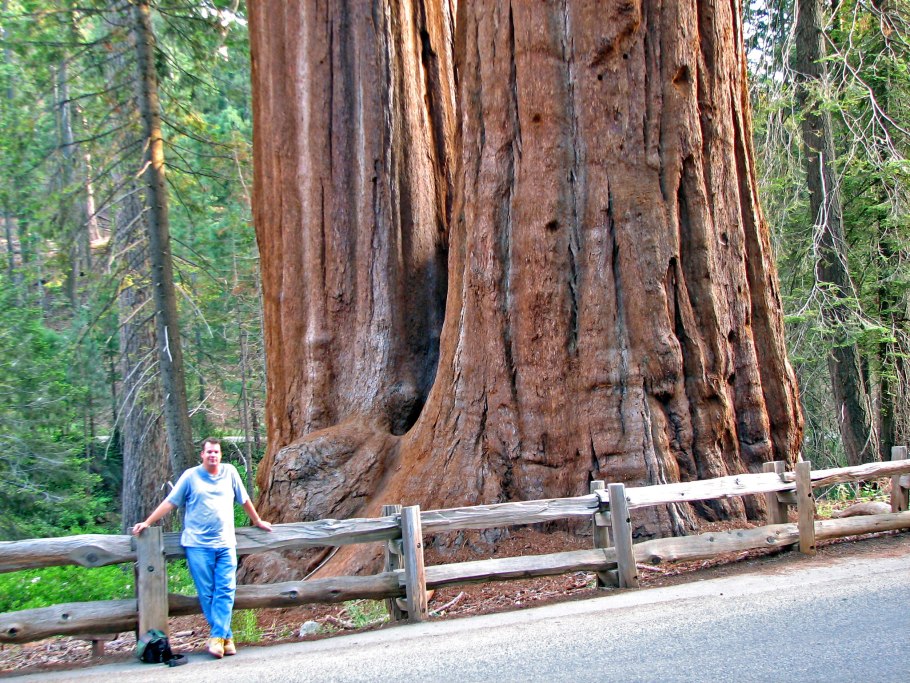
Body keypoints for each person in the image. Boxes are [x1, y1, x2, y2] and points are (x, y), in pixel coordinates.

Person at [132, 437, 273, 659]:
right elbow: (171, 501)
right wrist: (148, 522)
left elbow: (244, 499)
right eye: (209, 452)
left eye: (216, 452)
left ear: (220, 455)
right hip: (198, 545)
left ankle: (218, 638)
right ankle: (225, 637)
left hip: (226, 543)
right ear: (202, 454)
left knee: (226, 589)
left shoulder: (230, 473)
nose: (212, 456)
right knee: (207, 593)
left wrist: (256, 521)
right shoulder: (190, 476)